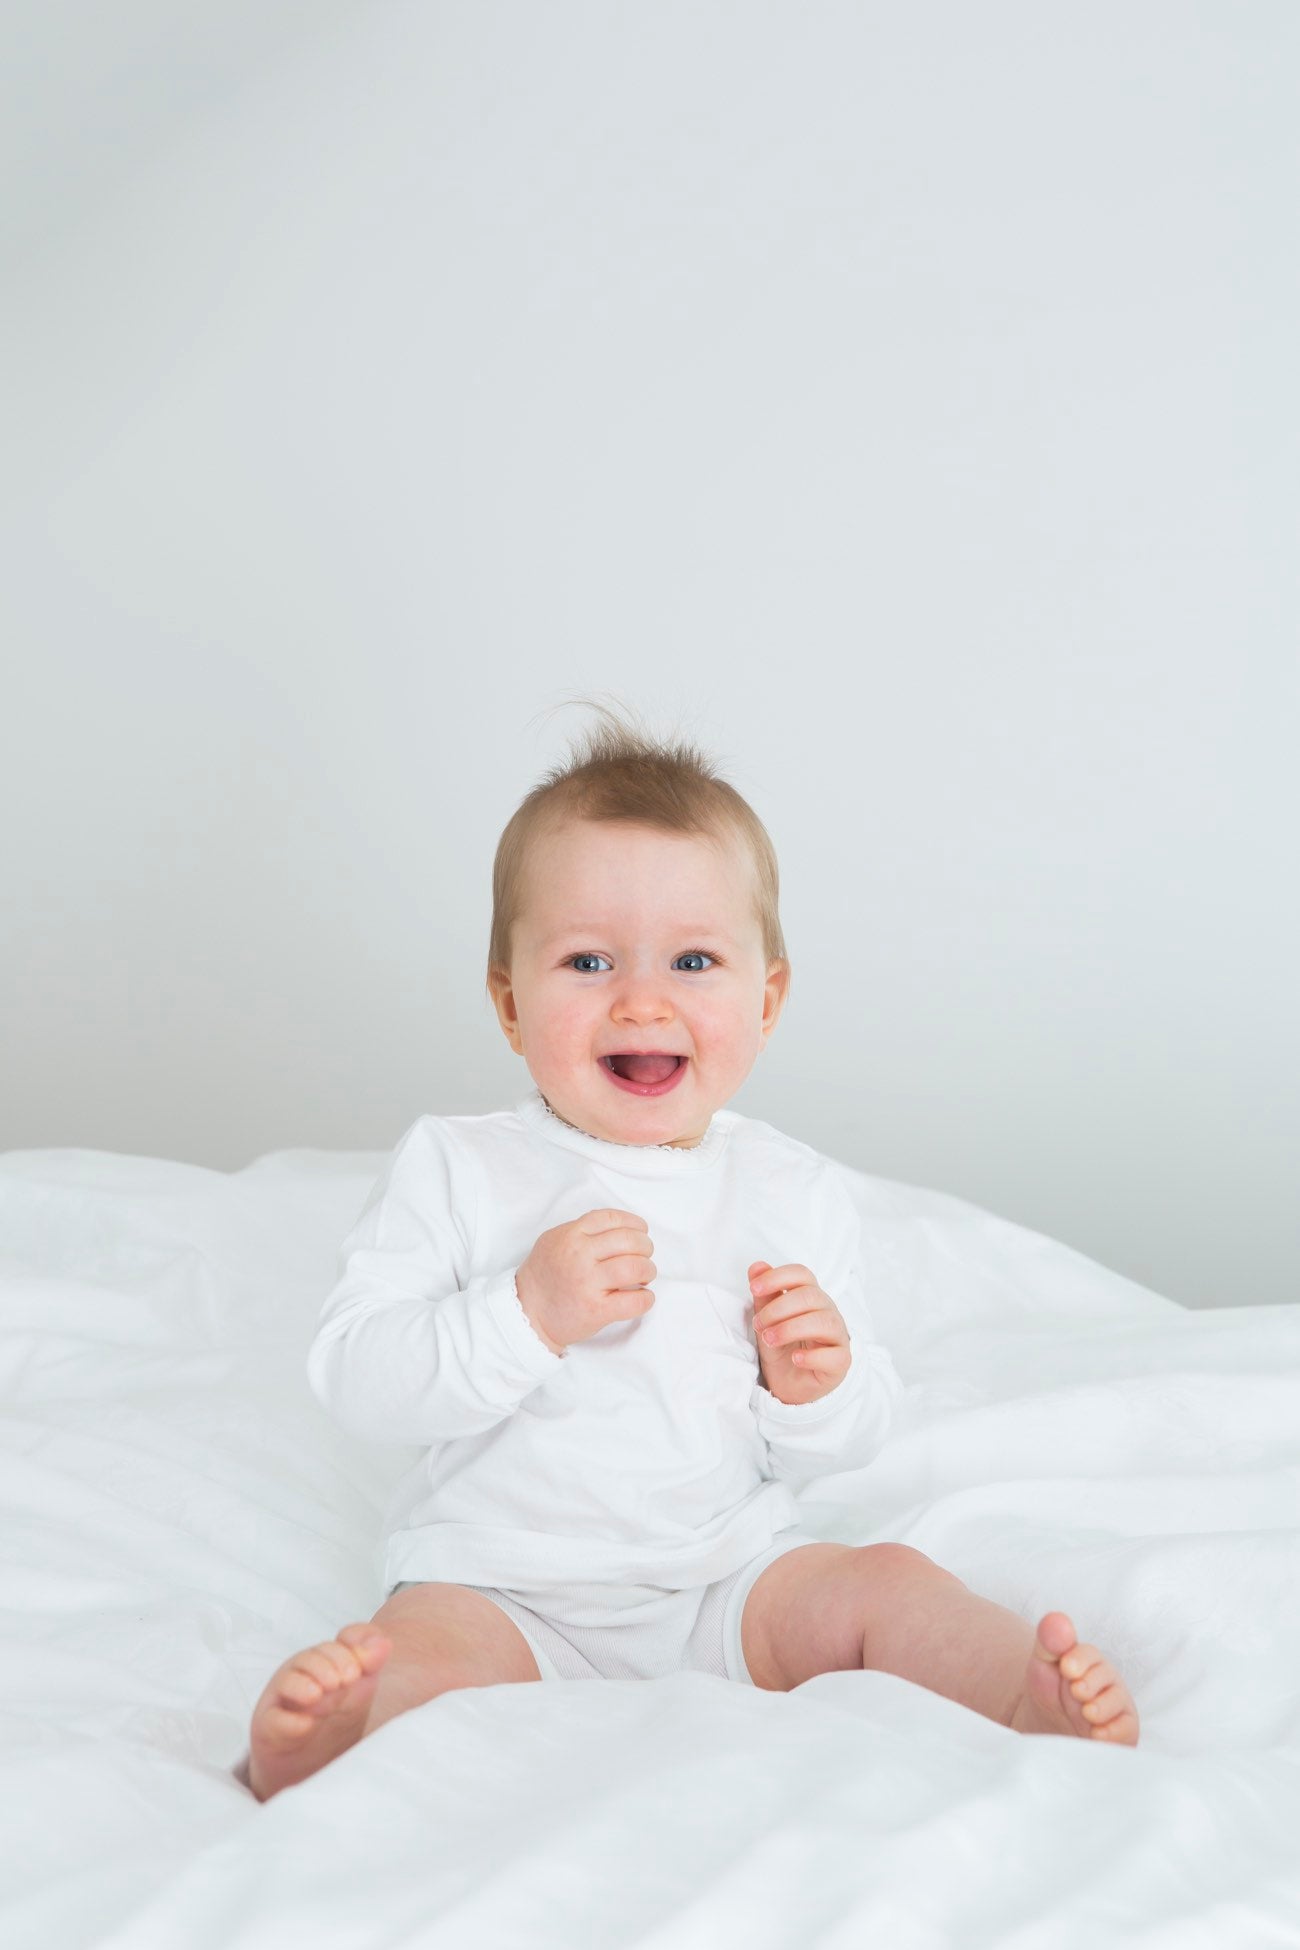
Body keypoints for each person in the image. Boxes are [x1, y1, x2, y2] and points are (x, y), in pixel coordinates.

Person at [238, 702, 1138, 1800]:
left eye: (694, 958)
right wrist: (525, 1312)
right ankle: (331, 1739)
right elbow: (362, 1376)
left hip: (726, 1577)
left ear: (766, 1001)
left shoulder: (785, 1188)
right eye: (585, 960)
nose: (641, 996)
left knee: (884, 1580)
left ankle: (1017, 1697)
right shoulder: (461, 1166)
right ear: (508, 1002)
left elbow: (840, 1444)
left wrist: (816, 1387)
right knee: (418, 1652)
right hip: (504, 1583)